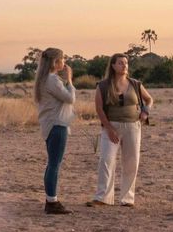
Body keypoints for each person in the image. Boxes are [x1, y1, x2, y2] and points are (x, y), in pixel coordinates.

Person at [90, 53, 152, 206]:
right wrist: (109, 128)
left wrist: (145, 112)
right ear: (112, 66)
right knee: (106, 160)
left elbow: (149, 99)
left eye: (126, 63)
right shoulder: (103, 86)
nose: (124, 66)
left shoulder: (135, 84)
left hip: (133, 126)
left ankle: (127, 199)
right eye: (120, 63)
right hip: (111, 126)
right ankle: (103, 197)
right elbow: (99, 109)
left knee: (131, 161)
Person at [35, 48, 75, 214]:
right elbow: (70, 98)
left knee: (52, 163)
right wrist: (70, 80)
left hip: (50, 125)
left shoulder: (44, 79)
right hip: (57, 125)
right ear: (55, 62)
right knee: (54, 164)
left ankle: (50, 199)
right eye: (62, 59)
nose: (64, 63)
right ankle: (52, 202)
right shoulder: (52, 80)